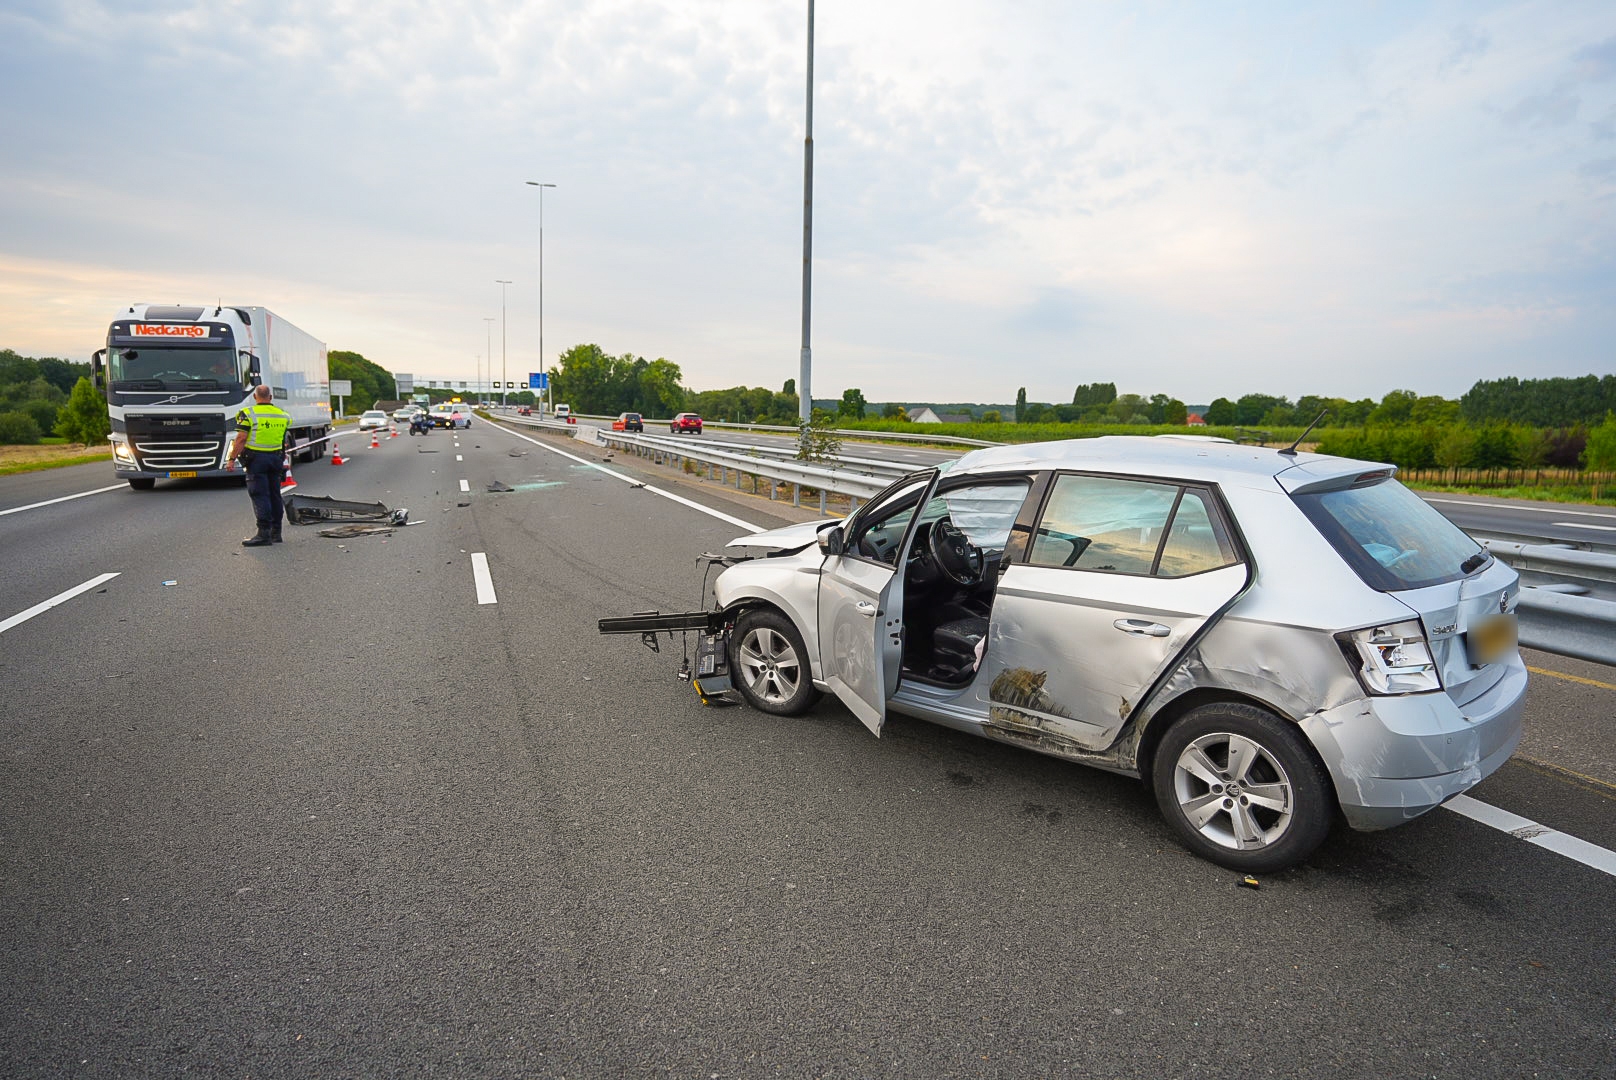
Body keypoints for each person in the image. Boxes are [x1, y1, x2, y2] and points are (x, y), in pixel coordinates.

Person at [226, 384, 291, 547]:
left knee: (260, 495)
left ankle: (263, 534)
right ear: (271, 397)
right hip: (276, 459)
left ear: (255, 397)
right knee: (275, 494)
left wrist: (231, 458)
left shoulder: (248, 414)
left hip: (257, 460)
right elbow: (283, 438)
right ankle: (276, 533)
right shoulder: (283, 415)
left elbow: (241, 438)